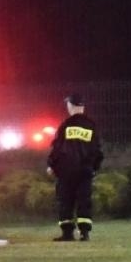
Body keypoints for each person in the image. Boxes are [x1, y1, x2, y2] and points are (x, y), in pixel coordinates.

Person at [47, 92, 103, 241]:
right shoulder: (92, 126)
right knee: (84, 200)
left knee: (65, 200)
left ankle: (67, 233)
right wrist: (94, 168)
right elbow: (97, 149)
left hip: (66, 171)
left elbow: (57, 148)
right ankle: (84, 233)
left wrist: (51, 165)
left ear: (71, 106)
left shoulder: (65, 125)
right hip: (85, 170)